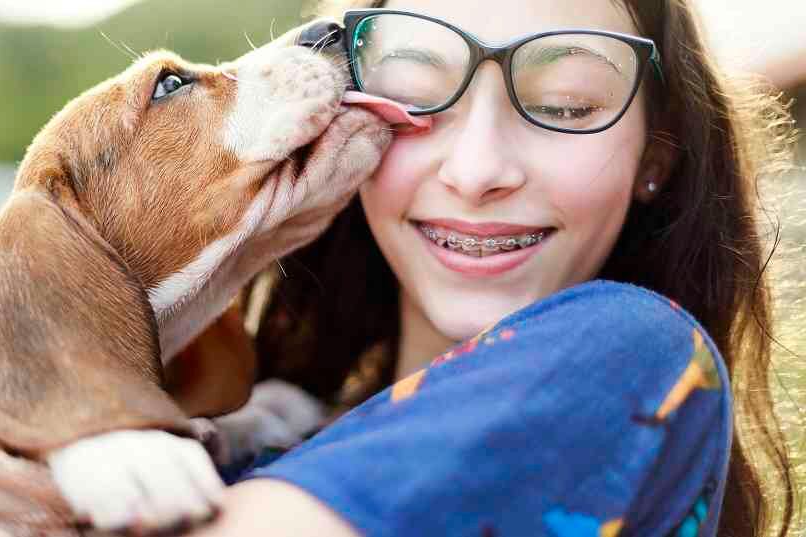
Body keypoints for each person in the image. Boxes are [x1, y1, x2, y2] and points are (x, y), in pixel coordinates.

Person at [176, 1, 800, 536]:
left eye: (564, 107)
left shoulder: (639, 346)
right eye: (415, 95)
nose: (475, 173)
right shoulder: (242, 424)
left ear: (655, 156)